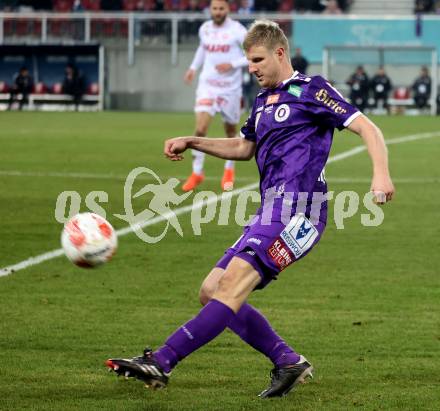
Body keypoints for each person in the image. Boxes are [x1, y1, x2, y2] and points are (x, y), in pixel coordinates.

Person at [106, 20, 395, 398]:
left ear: (279, 53)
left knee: (231, 284)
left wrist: (381, 176)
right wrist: (192, 140)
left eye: (258, 59)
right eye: (248, 62)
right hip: (271, 209)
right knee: (211, 290)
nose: (253, 68)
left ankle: (162, 359)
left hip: (300, 211)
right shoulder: (262, 103)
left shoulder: (313, 90)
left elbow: (367, 129)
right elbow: (244, 148)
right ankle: (287, 360)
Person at [182, 0, 248, 192]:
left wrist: (232, 64)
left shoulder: (238, 30)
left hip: (230, 89)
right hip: (208, 86)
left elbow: (251, 54)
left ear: (228, 9)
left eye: (221, 8)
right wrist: (193, 68)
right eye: (215, 8)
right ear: (210, 10)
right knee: (200, 128)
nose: (217, 12)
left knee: (230, 132)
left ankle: (229, 169)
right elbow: (203, 49)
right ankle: (197, 172)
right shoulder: (205, 29)